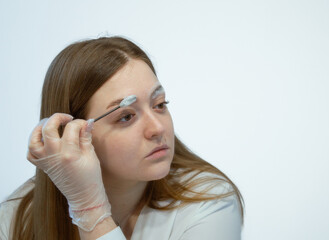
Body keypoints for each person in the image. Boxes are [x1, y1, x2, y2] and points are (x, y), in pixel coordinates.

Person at [0, 36, 244, 240]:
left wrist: (90, 209)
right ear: (71, 134)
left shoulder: (209, 200)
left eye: (159, 104)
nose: (157, 128)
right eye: (126, 117)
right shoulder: (16, 218)